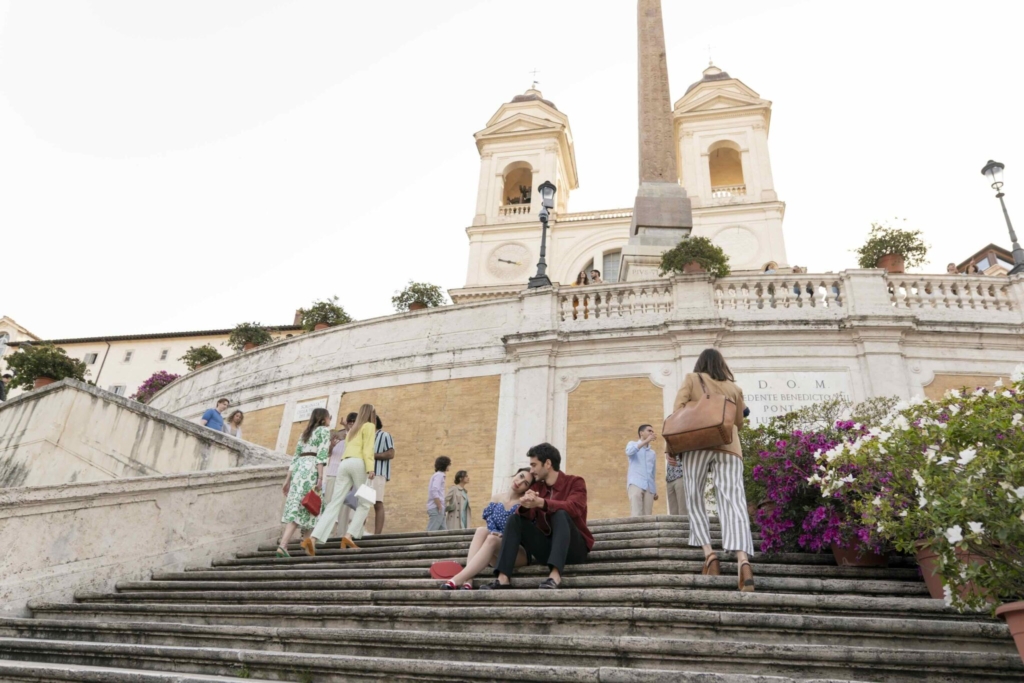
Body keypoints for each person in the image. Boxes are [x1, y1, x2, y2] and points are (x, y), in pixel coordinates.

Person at [671, 348, 755, 592]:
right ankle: (743, 561)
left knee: (694, 498)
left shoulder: (692, 379)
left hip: (696, 443)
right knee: (735, 501)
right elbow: (738, 422)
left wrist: (671, 448)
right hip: (729, 445)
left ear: (700, 364)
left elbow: (677, 413)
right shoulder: (734, 388)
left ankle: (710, 555)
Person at [481, 443, 593, 590]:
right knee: (515, 519)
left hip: (574, 550)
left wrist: (542, 503)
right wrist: (526, 505)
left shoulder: (575, 482)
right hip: (546, 549)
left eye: (534, 465)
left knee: (560, 513)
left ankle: (554, 576)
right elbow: (525, 517)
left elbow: (574, 508)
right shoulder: (537, 487)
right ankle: (503, 579)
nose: (532, 470)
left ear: (547, 463)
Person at [441, 467, 533, 590]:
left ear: (527, 488)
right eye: (521, 476)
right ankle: (469, 580)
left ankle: (457, 579)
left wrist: (502, 535)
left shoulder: (524, 504)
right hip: (497, 552)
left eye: (525, 483)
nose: (520, 482)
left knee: (492, 539)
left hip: (517, 553)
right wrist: (496, 533)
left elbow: (525, 532)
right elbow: (489, 522)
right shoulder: (497, 498)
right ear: (515, 474)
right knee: (481, 530)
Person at [310, 404, 377, 551]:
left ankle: (313, 538)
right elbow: (368, 449)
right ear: (371, 414)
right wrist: (370, 468)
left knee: (334, 503)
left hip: (344, 464)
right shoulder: (369, 426)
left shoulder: (352, 431)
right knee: (365, 503)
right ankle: (349, 535)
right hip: (358, 463)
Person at [275, 408, 330, 558]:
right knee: (309, 505)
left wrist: (287, 480)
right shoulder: (324, 431)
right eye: (328, 417)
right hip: (311, 469)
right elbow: (322, 455)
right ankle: (286, 545)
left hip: (299, 470)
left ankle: (303, 546)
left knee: (302, 506)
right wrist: (320, 477)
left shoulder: (304, 434)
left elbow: (294, 457)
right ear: (324, 419)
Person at [368, 415, 395, 535]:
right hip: (365, 474)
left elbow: (391, 453)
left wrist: (371, 455)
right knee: (362, 504)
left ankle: (377, 535)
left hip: (378, 473)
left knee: (377, 503)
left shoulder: (385, 435)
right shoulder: (366, 437)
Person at [625, 425, 658, 517]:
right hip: (636, 483)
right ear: (641, 433)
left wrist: (654, 489)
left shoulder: (652, 453)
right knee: (636, 513)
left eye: (652, 431)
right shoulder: (632, 444)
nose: (652, 433)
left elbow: (653, 472)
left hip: (649, 486)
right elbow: (629, 452)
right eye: (649, 431)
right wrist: (646, 441)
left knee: (648, 515)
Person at [427, 457, 451, 531]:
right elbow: (434, 490)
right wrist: (439, 505)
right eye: (449, 464)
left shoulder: (439, 475)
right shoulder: (439, 475)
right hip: (436, 508)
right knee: (432, 531)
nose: (449, 466)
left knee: (443, 531)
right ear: (445, 465)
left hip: (439, 508)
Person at [665, 448, 686, 516]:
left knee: (683, 510)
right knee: (673, 513)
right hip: (670, 477)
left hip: (681, 474)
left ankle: (684, 526)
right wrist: (667, 452)